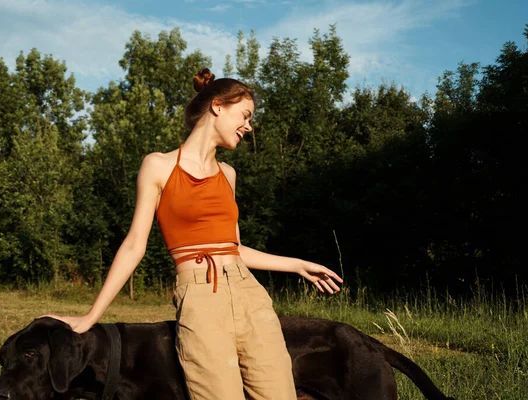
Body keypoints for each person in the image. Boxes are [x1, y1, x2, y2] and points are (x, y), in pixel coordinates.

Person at [46, 68, 343, 399]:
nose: (249, 125)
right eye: (244, 115)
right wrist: (91, 316)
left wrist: (298, 264)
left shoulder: (227, 175)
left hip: (250, 297)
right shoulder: (158, 166)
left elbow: (235, 249)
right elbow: (134, 245)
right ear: (217, 106)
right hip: (201, 300)